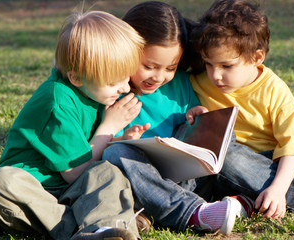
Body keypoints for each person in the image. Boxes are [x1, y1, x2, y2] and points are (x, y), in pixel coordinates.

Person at [0, 10, 145, 240]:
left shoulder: (94, 92)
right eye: (113, 82)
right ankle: (96, 228)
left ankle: (108, 227)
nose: (125, 88)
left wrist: (120, 140)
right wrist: (108, 128)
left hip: (71, 188)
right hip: (37, 192)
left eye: (126, 78)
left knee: (107, 173)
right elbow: (75, 171)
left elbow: (86, 148)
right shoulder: (57, 102)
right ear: (76, 78)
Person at [102, 1, 253, 236]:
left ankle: (262, 196)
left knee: (223, 135)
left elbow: (193, 133)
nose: (159, 77)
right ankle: (195, 213)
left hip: (186, 182)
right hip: (140, 185)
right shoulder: (109, 89)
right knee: (116, 153)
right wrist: (121, 138)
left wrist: (199, 120)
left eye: (170, 67)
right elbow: (94, 149)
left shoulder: (180, 82)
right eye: (149, 66)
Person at [189, 0, 294, 219]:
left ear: (257, 57)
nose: (215, 75)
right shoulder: (198, 81)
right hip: (229, 169)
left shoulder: (274, 90)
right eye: (208, 64)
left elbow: (292, 147)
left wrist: (279, 188)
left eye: (226, 66)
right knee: (228, 157)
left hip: (275, 165)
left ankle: (252, 200)